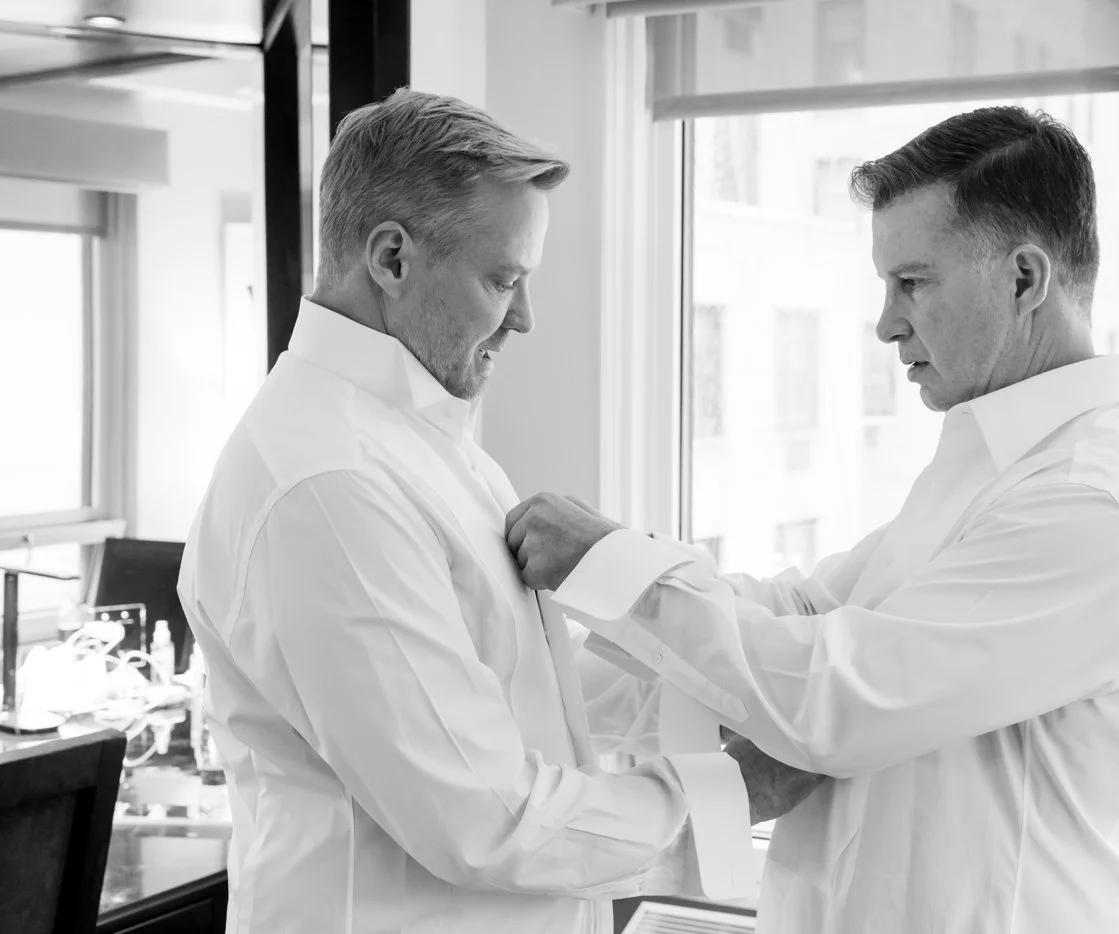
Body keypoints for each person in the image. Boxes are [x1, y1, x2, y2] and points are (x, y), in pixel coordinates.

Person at [506, 106, 1119, 932]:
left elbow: (839, 696)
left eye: (912, 282)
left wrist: (612, 568)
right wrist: (531, 678)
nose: (886, 323)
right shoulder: (992, 465)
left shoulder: (1097, 505)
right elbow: (803, 611)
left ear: (1024, 279)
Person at [177, 90, 760, 934]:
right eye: (503, 280)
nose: (524, 318)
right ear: (392, 258)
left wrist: (738, 664)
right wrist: (732, 794)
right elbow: (485, 819)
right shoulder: (329, 485)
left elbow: (510, 691)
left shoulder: (423, 442)